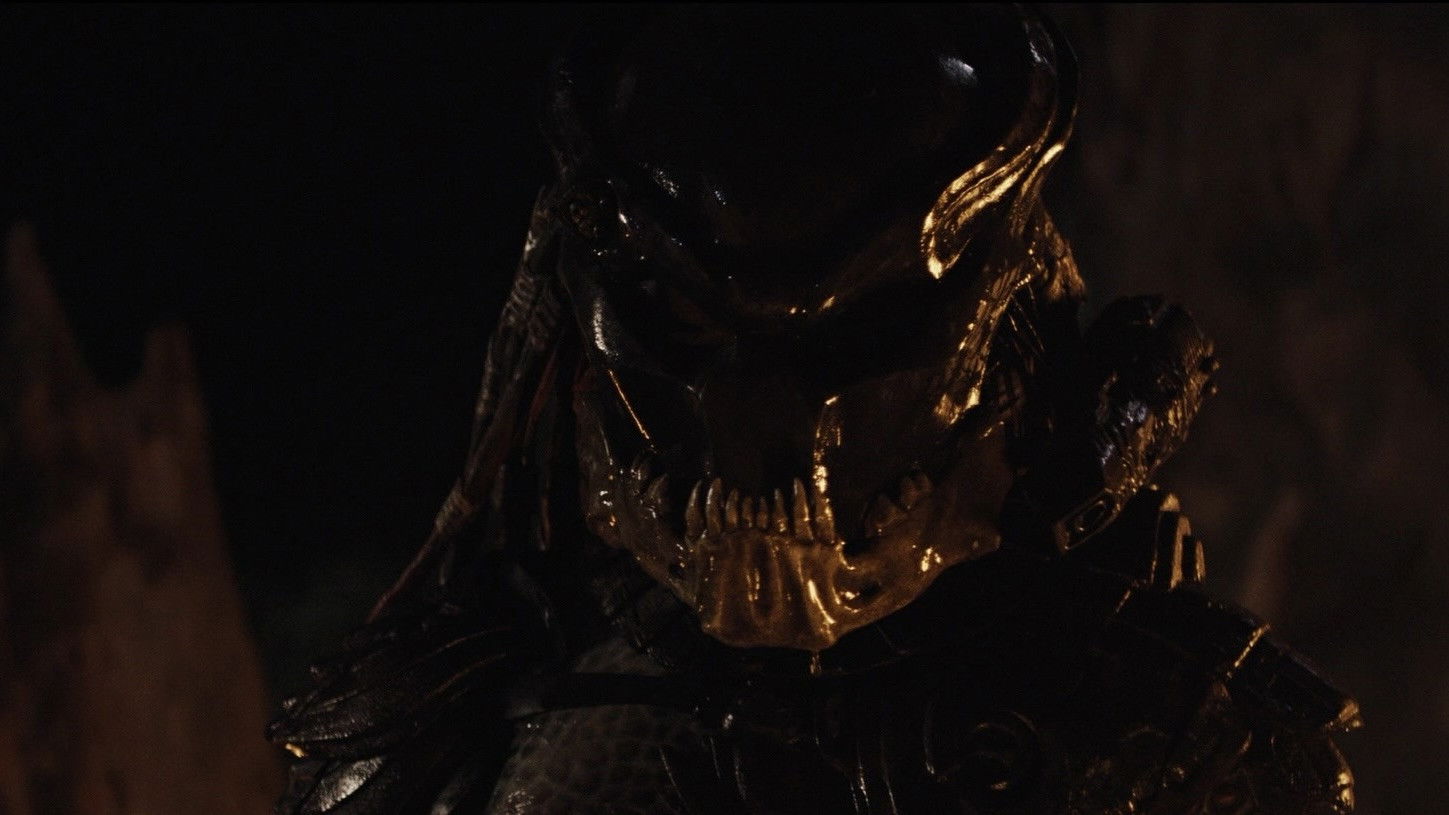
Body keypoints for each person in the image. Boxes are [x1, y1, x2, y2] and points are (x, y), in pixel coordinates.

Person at [269, 6, 1359, 812]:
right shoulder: (447, 721)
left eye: (855, 336)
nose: (765, 422)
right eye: (694, 325)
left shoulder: (1174, 741)